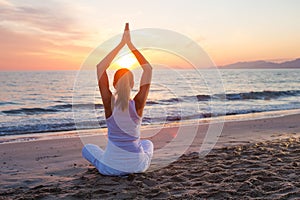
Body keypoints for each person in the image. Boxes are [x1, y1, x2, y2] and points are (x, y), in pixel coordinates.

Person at [82, 23, 153, 176]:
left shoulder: (109, 103)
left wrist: (121, 44)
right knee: (148, 144)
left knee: (87, 148)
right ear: (133, 84)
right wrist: (130, 45)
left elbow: (100, 67)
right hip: (138, 166)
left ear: (114, 84)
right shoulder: (138, 105)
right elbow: (148, 69)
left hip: (111, 168)